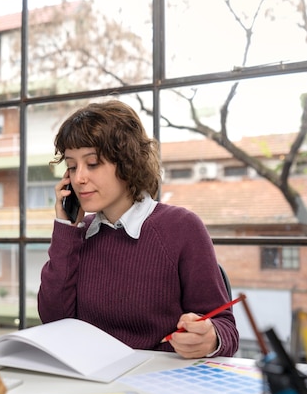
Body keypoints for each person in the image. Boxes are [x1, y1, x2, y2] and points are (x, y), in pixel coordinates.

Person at [38, 100, 239, 358]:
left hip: (159, 384)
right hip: (90, 380)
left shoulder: (181, 228)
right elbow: (53, 320)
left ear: (126, 162)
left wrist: (210, 338)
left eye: (93, 163)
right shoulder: (78, 235)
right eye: (72, 166)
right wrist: (66, 228)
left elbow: (226, 328)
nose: (79, 178)